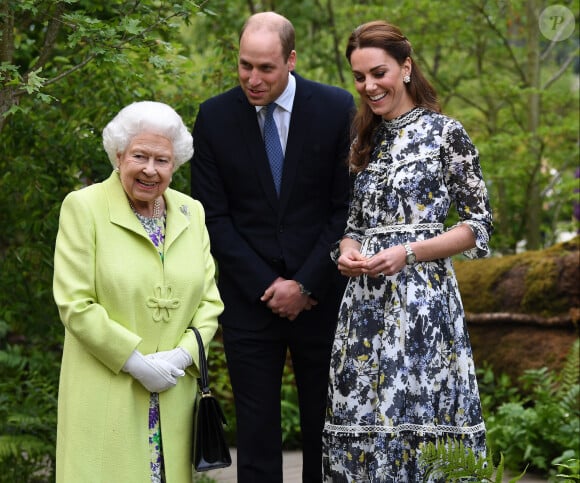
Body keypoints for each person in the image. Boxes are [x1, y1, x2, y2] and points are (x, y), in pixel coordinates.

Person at [322, 20, 493, 482]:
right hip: (364, 310)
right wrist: (348, 251)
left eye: (378, 73)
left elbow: (478, 226)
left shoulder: (446, 133)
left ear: (406, 68)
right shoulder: (365, 140)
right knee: (362, 429)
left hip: (423, 305)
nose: (369, 86)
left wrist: (410, 252)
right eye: (359, 77)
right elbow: (354, 225)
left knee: (419, 425)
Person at [190, 11, 355, 482]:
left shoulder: (335, 107)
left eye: (266, 68)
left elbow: (345, 208)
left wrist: (305, 283)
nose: (253, 79)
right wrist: (270, 285)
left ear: (291, 60)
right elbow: (212, 217)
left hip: (322, 296)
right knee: (257, 436)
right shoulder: (215, 116)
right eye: (245, 66)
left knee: (326, 432)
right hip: (249, 300)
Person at [53, 101, 223, 483]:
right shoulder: (84, 207)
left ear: (174, 164)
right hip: (107, 392)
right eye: (139, 156)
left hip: (173, 394)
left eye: (162, 160)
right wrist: (137, 363)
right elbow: (75, 303)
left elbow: (209, 300)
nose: (150, 169)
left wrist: (182, 357)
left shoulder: (190, 212)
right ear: (118, 156)